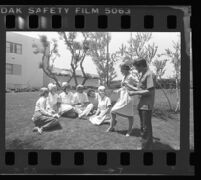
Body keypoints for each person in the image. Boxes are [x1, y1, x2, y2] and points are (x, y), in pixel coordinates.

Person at [129, 58, 156, 149]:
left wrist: (134, 93)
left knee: (145, 127)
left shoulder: (149, 75)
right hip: (142, 104)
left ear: (141, 65)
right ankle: (147, 144)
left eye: (136, 67)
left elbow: (149, 91)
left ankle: (145, 147)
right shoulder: (143, 74)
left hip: (146, 105)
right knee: (143, 126)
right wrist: (131, 88)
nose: (136, 69)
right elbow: (141, 89)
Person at [106, 62, 138, 136]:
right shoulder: (124, 77)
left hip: (128, 97)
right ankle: (111, 127)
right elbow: (123, 87)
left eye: (121, 69)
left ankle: (129, 131)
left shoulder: (131, 76)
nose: (120, 71)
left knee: (129, 115)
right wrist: (117, 90)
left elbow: (139, 84)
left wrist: (132, 88)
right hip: (122, 97)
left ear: (125, 69)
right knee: (113, 111)